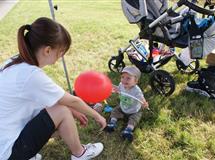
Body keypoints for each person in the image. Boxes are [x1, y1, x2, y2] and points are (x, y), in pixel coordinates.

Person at [0, 17, 106, 160]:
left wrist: (73, 111)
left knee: (61, 107)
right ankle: (80, 153)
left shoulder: (15, 61)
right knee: (62, 111)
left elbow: (49, 98)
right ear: (48, 50)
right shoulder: (31, 76)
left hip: (4, 141)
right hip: (8, 152)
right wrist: (97, 116)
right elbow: (72, 101)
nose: (60, 57)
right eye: (61, 52)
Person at [105, 66, 149, 141]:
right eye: (122, 77)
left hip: (134, 111)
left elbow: (141, 99)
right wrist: (115, 89)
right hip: (123, 107)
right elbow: (119, 89)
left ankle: (128, 130)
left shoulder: (136, 91)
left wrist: (144, 103)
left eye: (128, 78)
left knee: (134, 118)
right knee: (115, 111)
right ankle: (112, 123)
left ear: (135, 81)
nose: (124, 80)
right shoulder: (121, 85)